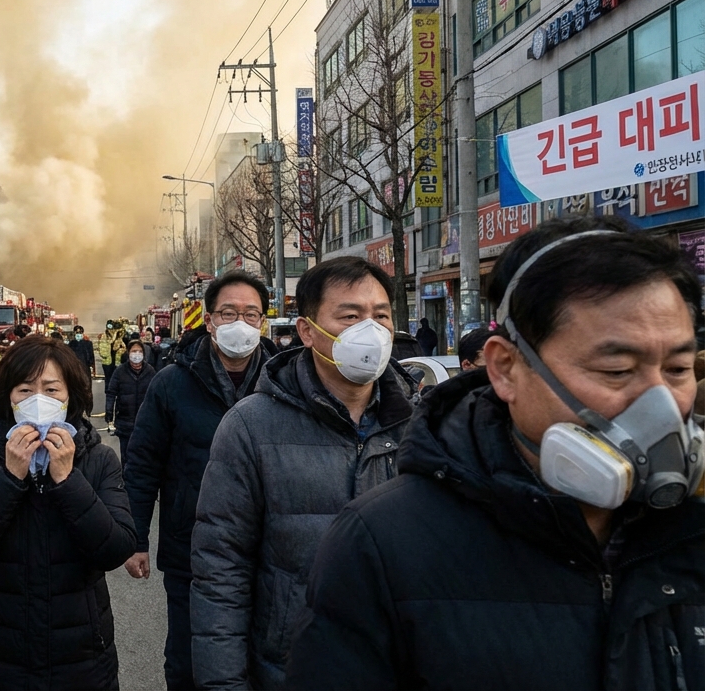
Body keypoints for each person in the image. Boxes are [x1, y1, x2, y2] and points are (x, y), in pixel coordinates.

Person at [286, 217, 705, 690]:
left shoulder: (692, 527)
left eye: (678, 367)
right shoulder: (382, 545)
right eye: (616, 369)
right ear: (504, 368)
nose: (662, 404)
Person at [190, 257, 417, 690]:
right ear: (307, 330)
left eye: (381, 315)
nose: (369, 330)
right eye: (350, 316)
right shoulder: (250, 426)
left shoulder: (422, 426)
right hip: (291, 669)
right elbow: (221, 570)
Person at [0, 336, 135, 690]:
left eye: (51, 390)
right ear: (8, 399)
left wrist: (67, 479)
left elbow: (116, 548)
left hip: (82, 657)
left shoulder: (98, 459)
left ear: (70, 398)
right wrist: (9, 476)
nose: (38, 402)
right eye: (25, 391)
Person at [121, 271, 277, 690]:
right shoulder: (171, 383)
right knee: (190, 661)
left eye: (251, 314)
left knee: (265, 658)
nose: (240, 324)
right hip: (190, 548)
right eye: (228, 313)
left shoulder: (284, 383)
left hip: (271, 550)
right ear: (208, 321)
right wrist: (135, 538)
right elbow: (141, 465)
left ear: (263, 321)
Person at [104, 338, 157, 459]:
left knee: (143, 455)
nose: (136, 354)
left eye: (139, 351)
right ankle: (126, 476)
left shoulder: (150, 371)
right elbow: (111, 392)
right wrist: (109, 412)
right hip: (124, 422)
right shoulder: (120, 371)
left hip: (144, 423)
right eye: (134, 351)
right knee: (126, 454)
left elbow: (156, 395)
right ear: (128, 353)